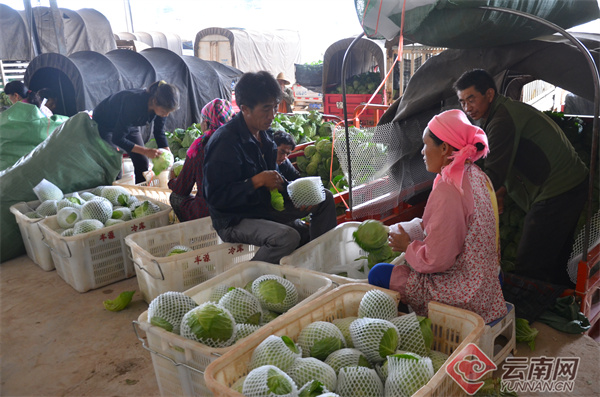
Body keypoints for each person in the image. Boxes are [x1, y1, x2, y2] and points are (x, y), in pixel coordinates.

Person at [368, 109, 508, 324]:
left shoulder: (449, 188)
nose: (422, 151)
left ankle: (414, 323)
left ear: (444, 148)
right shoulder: (477, 174)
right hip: (490, 281)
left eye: (426, 144)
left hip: (466, 292)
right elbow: (442, 226)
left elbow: (436, 261)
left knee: (379, 273)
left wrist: (408, 247)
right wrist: (404, 231)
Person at [454, 69, 588, 287]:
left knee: (529, 263)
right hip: (570, 183)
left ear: (489, 94)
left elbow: (493, 176)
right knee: (555, 260)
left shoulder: (501, 120)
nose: (468, 108)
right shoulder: (500, 113)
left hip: (560, 188)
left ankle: (531, 312)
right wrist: (501, 191)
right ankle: (557, 306)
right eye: (462, 102)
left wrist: (457, 202)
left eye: (471, 99)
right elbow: (510, 161)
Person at [202, 71, 337, 264]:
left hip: (264, 207)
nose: (272, 115)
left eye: (274, 107)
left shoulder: (265, 136)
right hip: (234, 219)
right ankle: (248, 276)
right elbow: (215, 197)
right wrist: (255, 182)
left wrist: (296, 192)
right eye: (266, 109)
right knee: (288, 237)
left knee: (324, 198)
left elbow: (275, 179)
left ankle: (320, 263)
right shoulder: (225, 142)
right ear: (245, 109)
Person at [92, 80, 179, 183]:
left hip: (128, 123)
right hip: (105, 123)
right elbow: (118, 138)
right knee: (115, 165)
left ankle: (140, 194)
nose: (166, 115)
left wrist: (167, 152)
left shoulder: (163, 107)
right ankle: (111, 192)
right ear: (155, 101)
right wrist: (145, 151)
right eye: (165, 112)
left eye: (169, 112)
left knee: (142, 162)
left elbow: (159, 131)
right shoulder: (133, 103)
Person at [168, 98, 235, 222]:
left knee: (176, 197)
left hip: (210, 214)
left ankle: (194, 233)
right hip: (238, 211)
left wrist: (172, 180)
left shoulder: (199, 148)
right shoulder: (240, 141)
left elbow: (182, 188)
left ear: (206, 123)